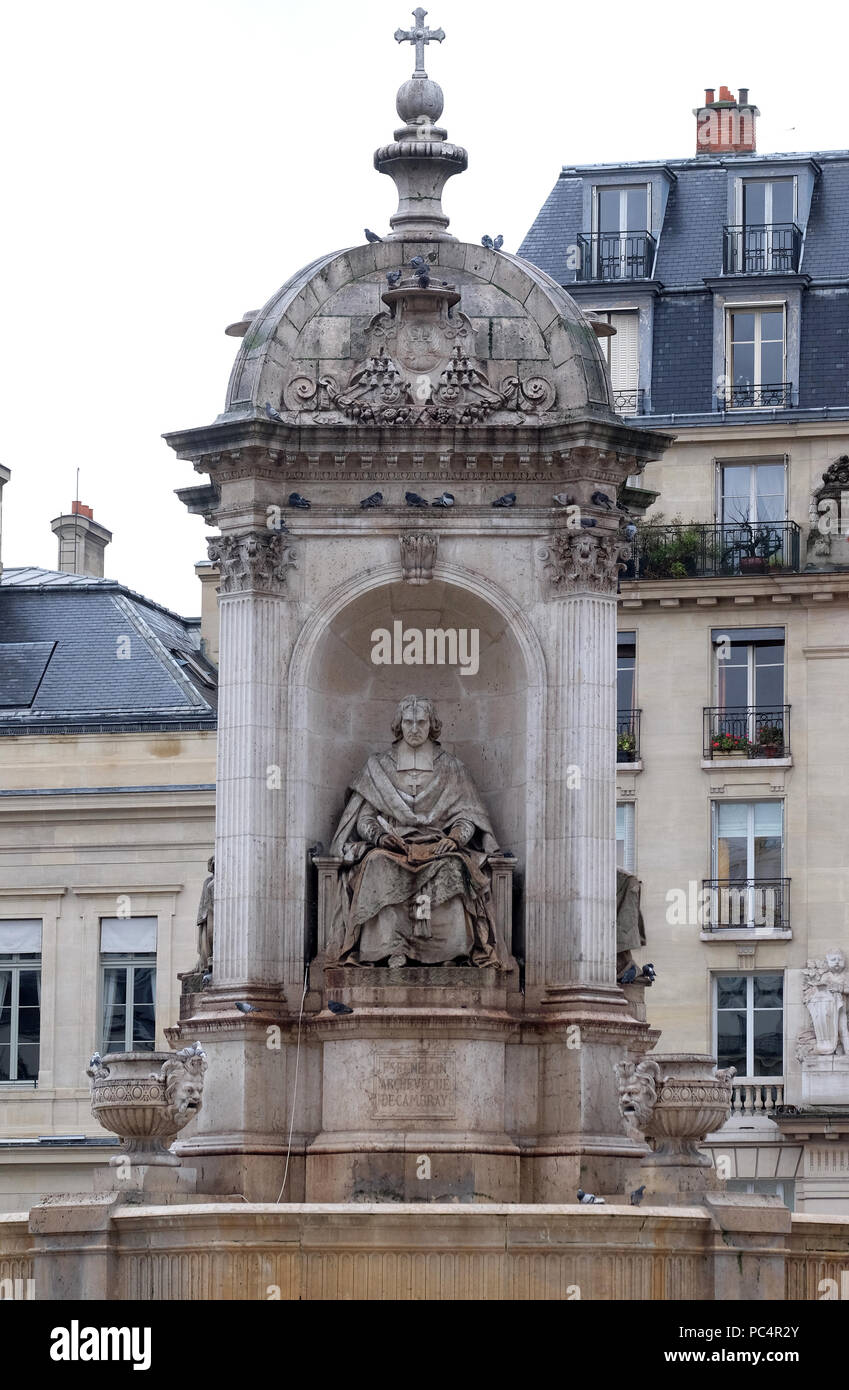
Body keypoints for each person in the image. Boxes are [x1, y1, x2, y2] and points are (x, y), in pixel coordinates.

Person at [328, 696, 503, 967]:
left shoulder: (452, 768)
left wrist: (455, 838)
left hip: (438, 846)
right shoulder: (378, 767)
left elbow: (468, 816)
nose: (414, 728)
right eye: (408, 722)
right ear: (399, 725)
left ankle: (451, 951)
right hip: (392, 848)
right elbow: (364, 818)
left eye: (421, 722)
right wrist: (380, 837)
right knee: (375, 863)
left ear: (432, 725)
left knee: (456, 867)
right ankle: (389, 947)